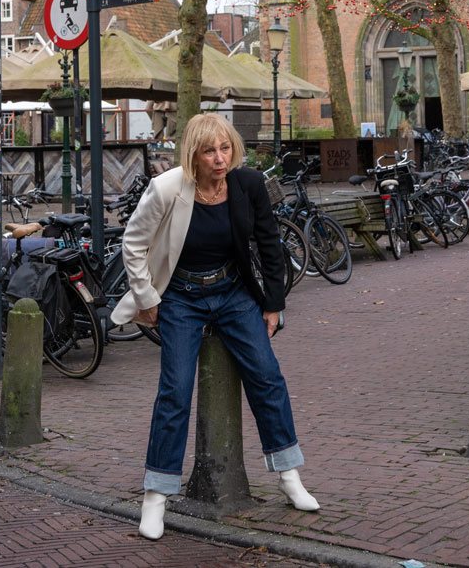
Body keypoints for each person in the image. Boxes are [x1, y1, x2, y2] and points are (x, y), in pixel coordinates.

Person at [110, 113, 319, 541]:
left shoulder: (248, 185)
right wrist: (147, 297)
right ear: (193, 154)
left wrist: (273, 303)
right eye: (209, 151)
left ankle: (288, 474)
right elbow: (132, 241)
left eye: (225, 148)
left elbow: (268, 243)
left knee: (266, 375)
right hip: (181, 297)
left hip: (232, 290)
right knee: (175, 390)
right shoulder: (168, 187)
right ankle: (156, 495)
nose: (220, 158)